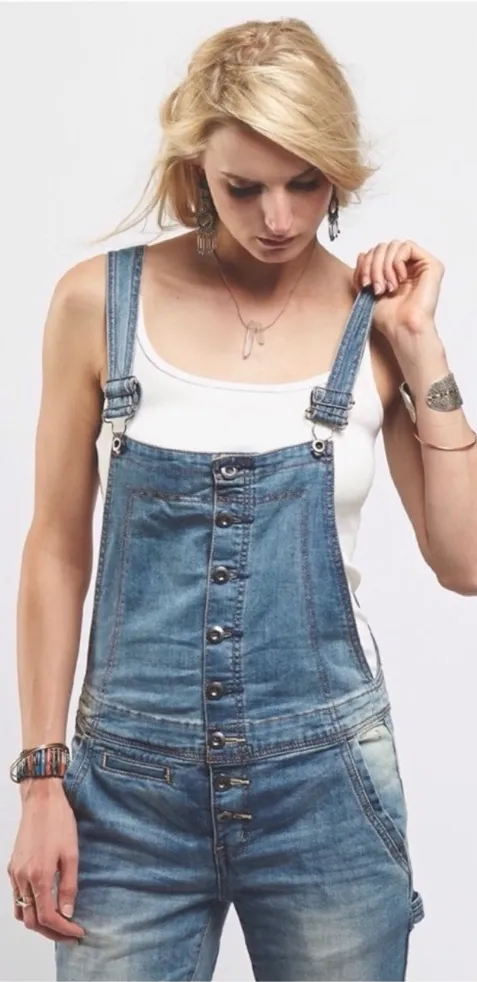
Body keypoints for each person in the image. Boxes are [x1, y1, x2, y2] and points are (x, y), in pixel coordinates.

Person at [7, 16, 477, 982]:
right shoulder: (98, 304)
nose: (278, 218)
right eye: (244, 187)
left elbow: (463, 562)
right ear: (195, 173)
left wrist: (422, 346)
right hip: (127, 793)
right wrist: (42, 780)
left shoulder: (373, 324)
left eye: (306, 182)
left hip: (326, 785)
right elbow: (55, 545)